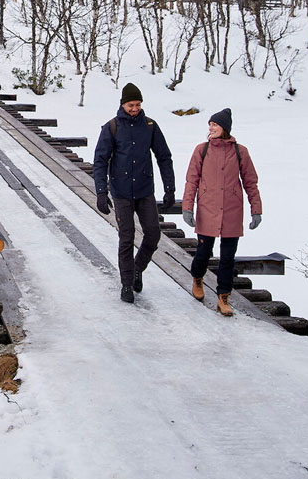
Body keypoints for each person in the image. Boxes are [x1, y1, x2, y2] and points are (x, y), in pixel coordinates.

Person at [93, 82, 176, 304]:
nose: (135, 108)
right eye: (131, 105)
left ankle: (138, 268)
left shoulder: (149, 126)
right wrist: (101, 192)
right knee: (126, 237)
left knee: (153, 233)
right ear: (123, 104)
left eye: (138, 104)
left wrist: (170, 189)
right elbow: (100, 161)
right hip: (121, 192)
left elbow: (164, 157)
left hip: (144, 190)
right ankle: (127, 284)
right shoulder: (111, 127)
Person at [182, 108, 262, 316]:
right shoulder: (202, 149)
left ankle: (223, 296)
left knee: (228, 257)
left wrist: (256, 210)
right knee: (203, 253)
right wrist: (187, 207)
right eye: (210, 125)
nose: (211, 128)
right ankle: (197, 278)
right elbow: (192, 180)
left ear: (224, 128)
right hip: (208, 209)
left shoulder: (240, 151)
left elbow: (250, 182)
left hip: (232, 211)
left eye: (215, 125)